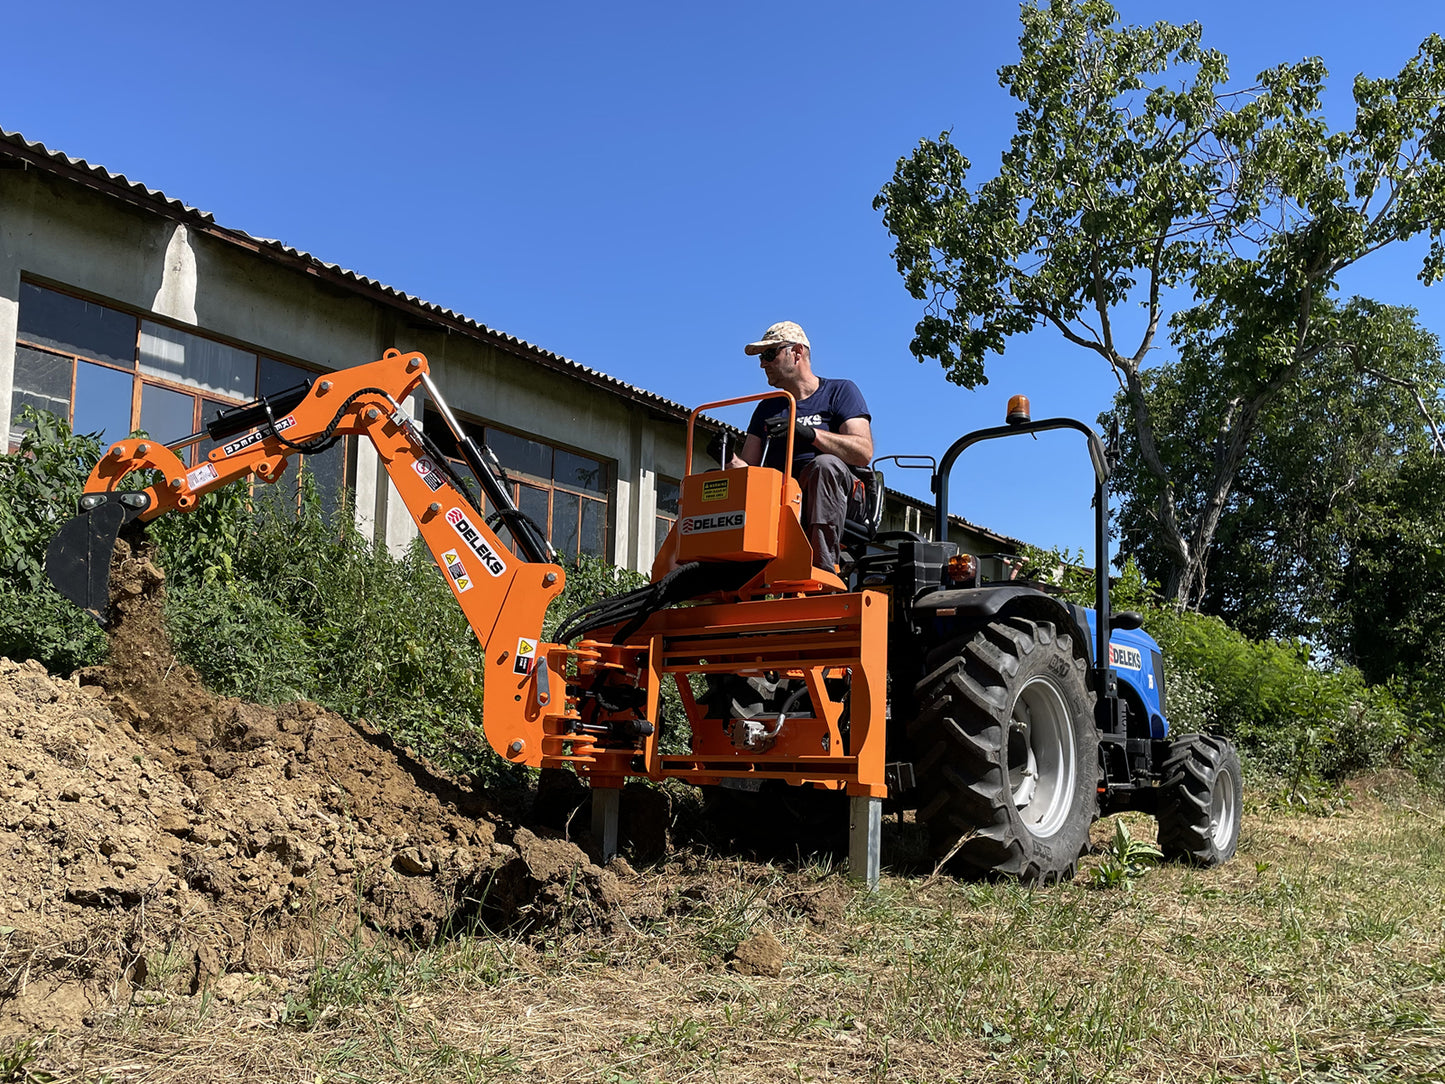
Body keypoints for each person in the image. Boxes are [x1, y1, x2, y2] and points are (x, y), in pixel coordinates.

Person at [730, 321, 873, 571]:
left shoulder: (839, 392)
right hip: (784, 497)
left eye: (769, 354)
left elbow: (862, 452)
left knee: (823, 465)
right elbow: (750, 471)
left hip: (835, 493)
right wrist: (727, 457)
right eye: (762, 358)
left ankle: (821, 569)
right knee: (712, 482)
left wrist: (808, 433)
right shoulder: (767, 407)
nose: (763, 363)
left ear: (797, 352)